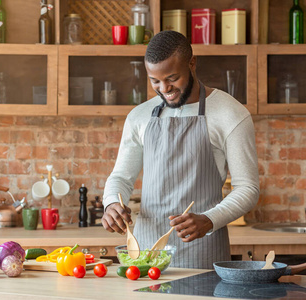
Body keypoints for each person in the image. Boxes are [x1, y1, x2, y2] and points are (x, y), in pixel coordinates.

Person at [102, 31, 259, 269]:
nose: (164, 88)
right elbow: (121, 177)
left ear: (192, 63)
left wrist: (209, 219)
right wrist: (112, 203)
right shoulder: (139, 116)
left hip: (203, 252)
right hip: (146, 255)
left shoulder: (230, 113)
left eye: (172, 78)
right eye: (155, 81)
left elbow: (248, 188)